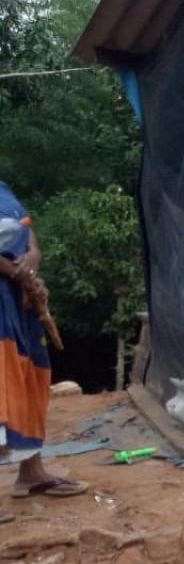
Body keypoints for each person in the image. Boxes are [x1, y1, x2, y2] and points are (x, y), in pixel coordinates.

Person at [0, 181, 86, 525]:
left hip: (19, 305)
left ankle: (31, 473)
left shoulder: (3, 189)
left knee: (30, 381)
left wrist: (31, 263)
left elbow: (28, 234)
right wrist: (15, 272)